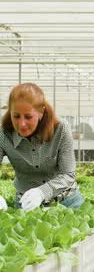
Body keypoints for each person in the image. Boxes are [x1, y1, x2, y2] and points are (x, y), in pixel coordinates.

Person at [0, 83, 83, 212]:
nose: (21, 124)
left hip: (66, 203)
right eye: (16, 116)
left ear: (41, 112)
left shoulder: (60, 129)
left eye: (28, 117)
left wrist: (42, 192)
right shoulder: (3, 134)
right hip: (27, 206)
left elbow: (68, 174)